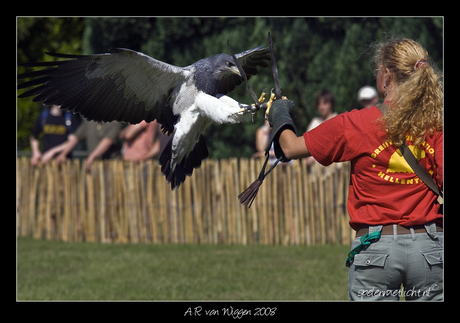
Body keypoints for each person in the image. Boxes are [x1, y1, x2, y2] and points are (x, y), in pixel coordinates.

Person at [267, 38, 443, 301]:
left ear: (387, 75)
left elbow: (290, 148)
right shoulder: (436, 124)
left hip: (376, 249)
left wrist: (279, 113)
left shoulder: (356, 122)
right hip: (430, 250)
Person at [42, 119, 122, 172]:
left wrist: (92, 156)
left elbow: (107, 141)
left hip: (111, 167)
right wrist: (63, 154)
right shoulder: (90, 121)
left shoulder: (115, 122)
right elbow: (75, 138)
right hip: (93, 166)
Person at [305, 90, 337, 166]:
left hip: (335, 171)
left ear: (331, 104)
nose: (321, 107)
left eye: (325, 103)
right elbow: (306, 144)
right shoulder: (314, 122)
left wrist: (316, 156)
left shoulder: (337, 120)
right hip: (316, 173)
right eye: (319, 104)